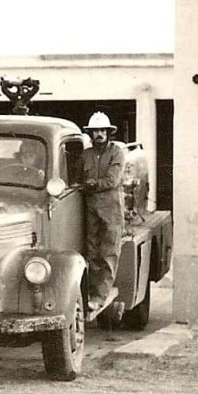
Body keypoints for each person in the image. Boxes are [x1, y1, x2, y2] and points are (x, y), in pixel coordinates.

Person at [80, 111, 126, 312]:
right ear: (90, 134)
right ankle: (91, 294)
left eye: (102, 130)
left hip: (110, 210)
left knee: (108, 253)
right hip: (91, 209)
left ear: (109, 133)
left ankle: (100, 296)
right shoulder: (86, 155)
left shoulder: (116, 153)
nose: (99, 134)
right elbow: (76, 178)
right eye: (95, 131)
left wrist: (92, 184)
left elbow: (112, 180)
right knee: (91, 252)